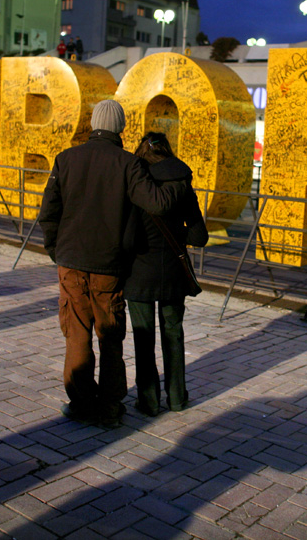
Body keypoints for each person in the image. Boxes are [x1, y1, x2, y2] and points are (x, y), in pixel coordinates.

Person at [38, 101, 186, 428]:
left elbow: (47, 214)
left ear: (93, 124)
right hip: (109, 266)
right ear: (120, 127)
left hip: (71, 264)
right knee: (110, 337)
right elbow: (157, 203)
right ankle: (109, 408)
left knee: (76, 333)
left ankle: (80, 403)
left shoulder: (66, 159)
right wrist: (179, 175)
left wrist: (57, 251)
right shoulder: (128, 163)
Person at [124, 132, 208, 416]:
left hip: (138, 272)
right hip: (173, 272)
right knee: (173, 334)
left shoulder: (136, 182)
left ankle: (148, 401)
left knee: (143, 337)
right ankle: (176, 398)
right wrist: (176, 232)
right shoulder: (183, 184)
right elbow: (199, 236)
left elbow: (128, 233)